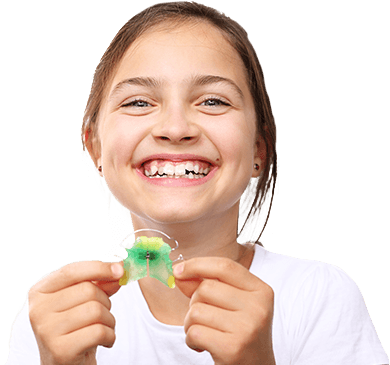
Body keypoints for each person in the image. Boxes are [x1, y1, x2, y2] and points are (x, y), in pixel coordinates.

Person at [6, 2, 389, 364]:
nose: (175, 128)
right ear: (96, 148)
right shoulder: (46, 318)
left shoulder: (319, 295)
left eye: (213, 101)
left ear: (259, 149)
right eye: (139, 102)